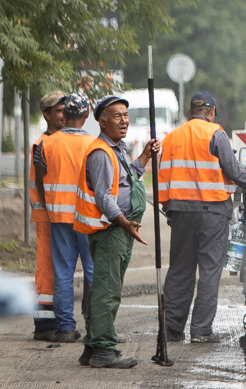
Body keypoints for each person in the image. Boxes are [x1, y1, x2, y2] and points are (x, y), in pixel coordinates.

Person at [159, 92, 246, 343]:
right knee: (208, 271)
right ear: (212, 112)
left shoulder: (172, 137)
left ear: (189, 111)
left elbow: (164, 174)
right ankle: (201, 331)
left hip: (180, 212)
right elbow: (233, 169)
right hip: (212, 211)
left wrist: (170, 208)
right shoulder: (215, 134)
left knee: (180, 269)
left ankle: (172, 330)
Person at [74, 95, 158, 369]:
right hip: (110, 230)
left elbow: (126, 178)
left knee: (107, 288)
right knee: (106, 291)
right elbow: (103, 198)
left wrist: (144, 156)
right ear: (102, 121)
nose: (124, 120)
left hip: (118, 230)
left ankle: (91, 347)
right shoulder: (100, 153)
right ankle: (104, 351)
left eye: (125, 115)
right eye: (117, 115)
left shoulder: (117, 149)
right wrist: (124, 222)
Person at [32, 93, 95, 343]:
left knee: (63, 273)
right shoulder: (93, 144)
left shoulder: (47, 144)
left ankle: (66, 328)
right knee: (92, 271)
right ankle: (95, 327)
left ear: (65, 114)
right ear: (86, 115)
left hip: (58, 217)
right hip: (87, 218)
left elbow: (39, 179)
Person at [29, 90, 67, 340]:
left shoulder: (62, 141)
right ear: (46, 114)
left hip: (59, 216)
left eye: (65, 110)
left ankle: (59, 319)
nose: (64, 115)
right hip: (47, 217)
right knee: (47, 270)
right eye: (59, 111)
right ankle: (44, 326)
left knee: (58, 269)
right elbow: (42, 184)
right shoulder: (42, 145)